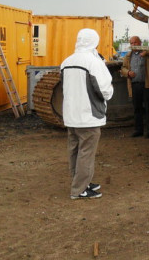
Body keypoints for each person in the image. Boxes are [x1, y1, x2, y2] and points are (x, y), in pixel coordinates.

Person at [61, 28, 114, 200]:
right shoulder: (93, 62)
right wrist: (109, 94)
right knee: (86, 153)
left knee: (75, 151)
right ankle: (79, 189)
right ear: (94, 42)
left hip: (71, 115)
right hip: (88, 116)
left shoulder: (66, 61)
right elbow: (104, 90)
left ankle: (80, 182)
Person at [121, 36, 149, 138]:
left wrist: (147, 52)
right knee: (137, 108)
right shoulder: (128, 55)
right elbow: (123, 68)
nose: (133, 45)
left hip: (147, 84)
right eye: (131, 43)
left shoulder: (147, 52)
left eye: (135, 42)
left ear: (140, 43)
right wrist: (128, 72)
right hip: (135, 85)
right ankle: (138, 130)